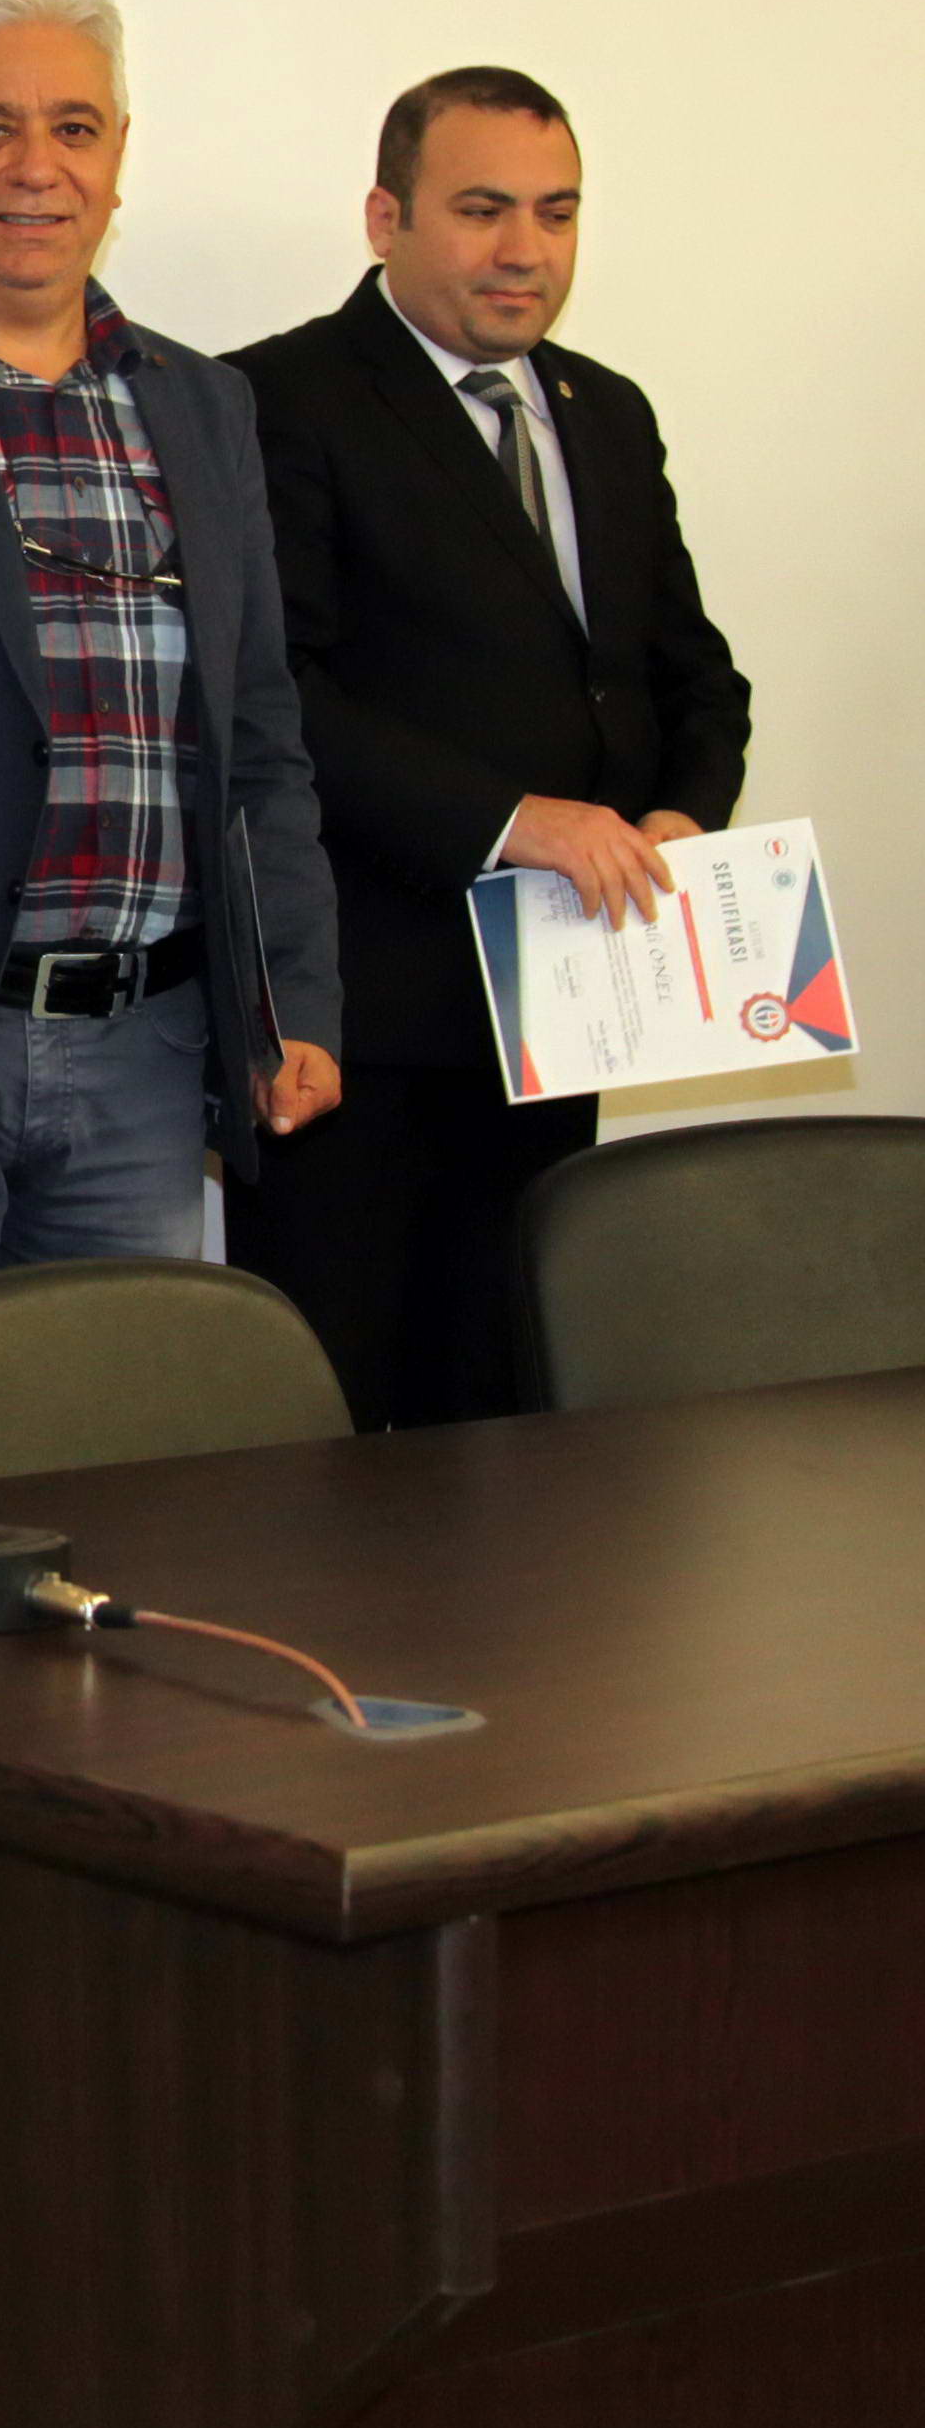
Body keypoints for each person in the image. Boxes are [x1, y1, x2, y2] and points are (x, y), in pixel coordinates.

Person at [223, 69, 748, 1424]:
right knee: (332, 1427)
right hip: (363, 1021)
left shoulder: (605, 411)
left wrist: (682, 818)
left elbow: (690, 678)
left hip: (567, 1006)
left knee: (512, 1415)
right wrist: (513, 821)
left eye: (555, 213)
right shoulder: (278, 398)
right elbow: (275, 695)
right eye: (481, 210)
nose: (524, 249)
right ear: (384, 218)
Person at [0, 0, 344, 1275]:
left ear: (117, 156)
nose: (36, 167)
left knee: (115, 1409)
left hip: (146, 1052)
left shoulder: (201, 407)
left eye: (73, 128)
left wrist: (292, 999)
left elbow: (261, 738)